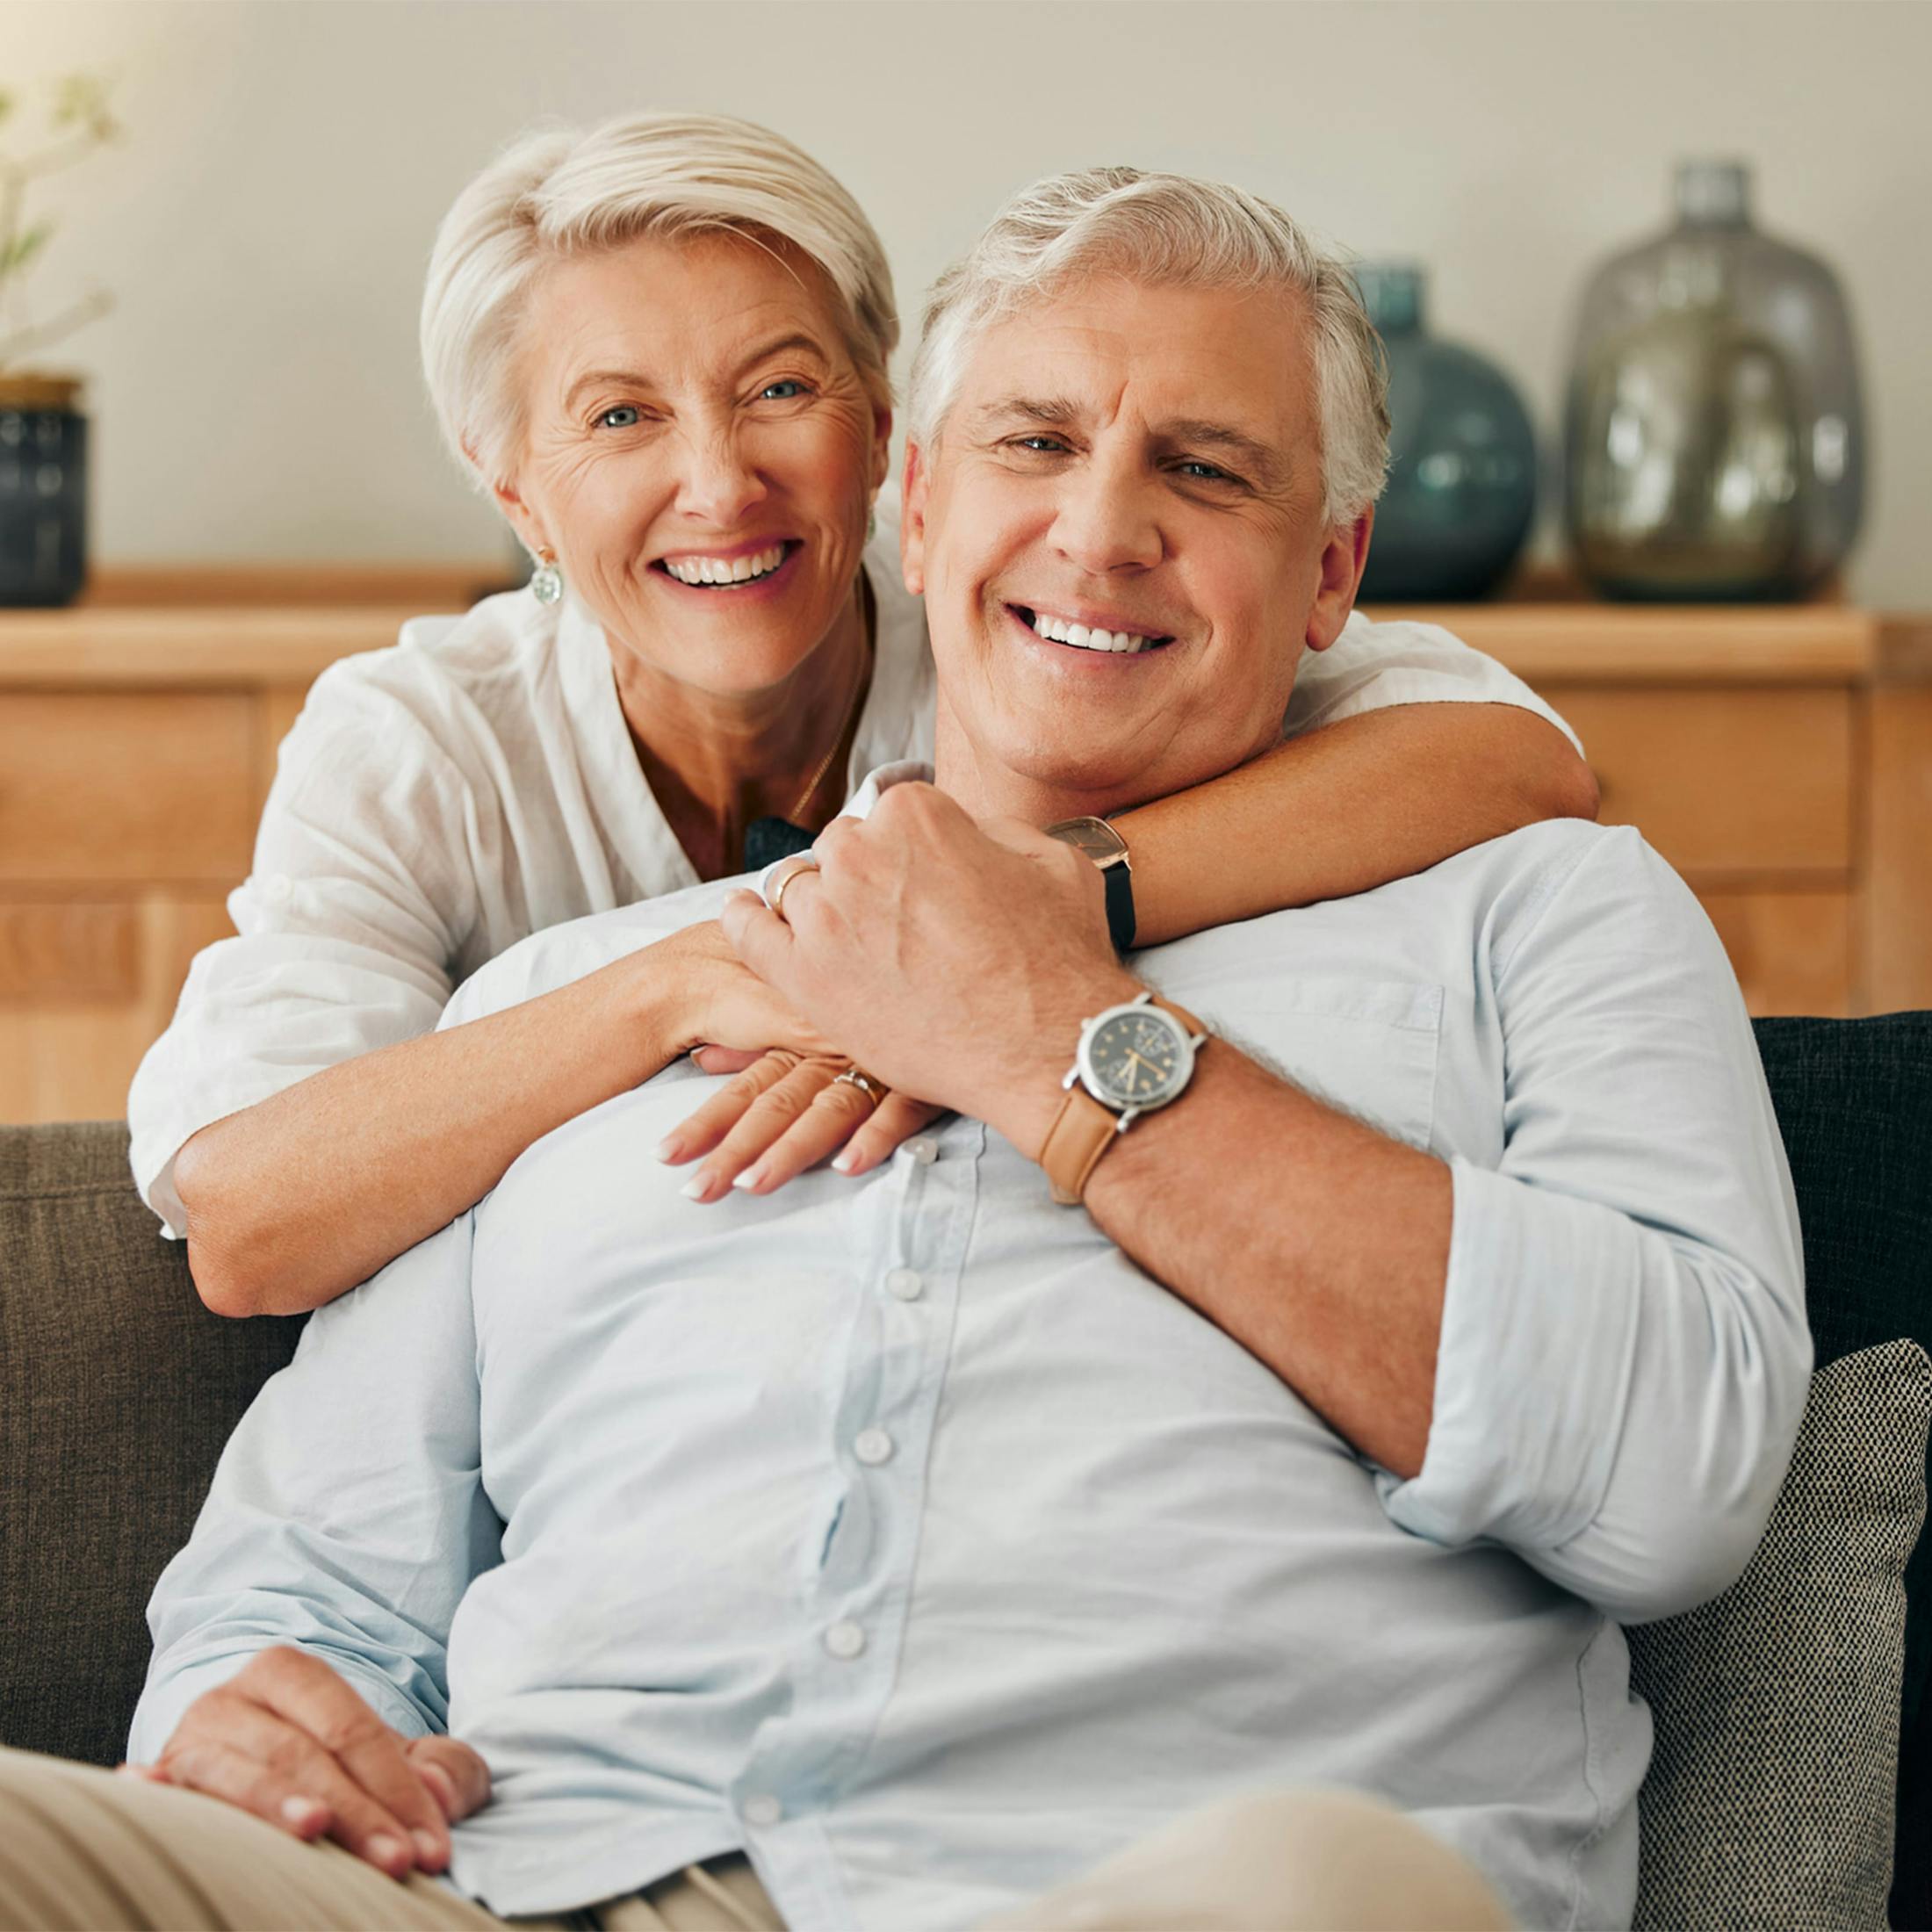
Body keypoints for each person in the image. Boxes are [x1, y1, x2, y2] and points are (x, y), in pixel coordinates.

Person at [0, 166, 1807, 1932]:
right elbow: (299, 1572)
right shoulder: (553, 993)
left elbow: (1674, 1470)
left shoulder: (1527, 910)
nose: (1098, 531)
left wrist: (1044, 1022)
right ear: (921, 509)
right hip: (529, 1872)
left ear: (1332, 565)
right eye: (1033, 444)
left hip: (1192, 1875)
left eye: (1201, 466)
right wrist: (239, 1715)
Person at [126, 112, 1597, 1320]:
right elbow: (249, 1222)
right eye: (622, 416)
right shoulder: (422, 744)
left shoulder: (1035, 645)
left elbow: (1510, 757)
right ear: (513, 484)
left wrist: (1044, 895)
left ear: (888, 437)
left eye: (778, 389)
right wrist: (688, 982)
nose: (717, 485)